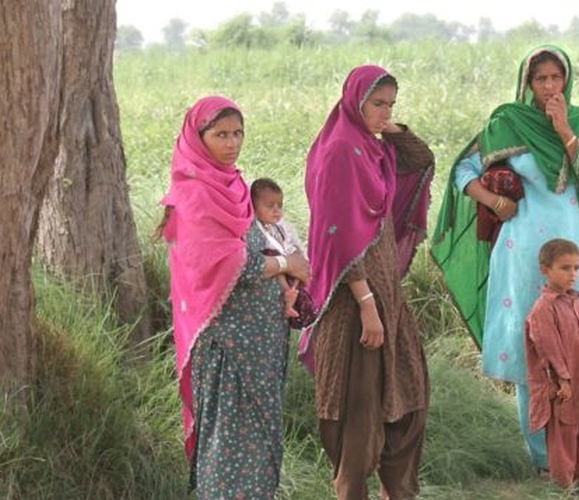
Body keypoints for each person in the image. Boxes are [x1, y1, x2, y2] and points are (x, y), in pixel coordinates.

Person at [430, 44, 579, 474]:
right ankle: (544, 457)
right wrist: (493, 200)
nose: (549, 86)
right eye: (540, 78)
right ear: (527, 83)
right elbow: (462, 171)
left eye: (556, 77)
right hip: (523, 252)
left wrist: (566, 130)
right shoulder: (507, 122)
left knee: (577, 350)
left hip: (577, 250)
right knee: (538, 350)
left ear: (566, 80)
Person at [157, 95, 310, 499]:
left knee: (257, 445)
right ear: (197, 137)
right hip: (226, 347)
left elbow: (256, 244)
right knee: (228, 445)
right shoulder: (192, 195)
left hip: (259, 344)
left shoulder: (236, 186)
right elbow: (234, 264)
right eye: (220, 134)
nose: (232, 142)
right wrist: (286, 265)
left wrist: (284, 270)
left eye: (237, 133)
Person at [300, 64, 435, 500]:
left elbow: (421, 159)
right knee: (360, 412)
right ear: (353, 101)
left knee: (410, 398)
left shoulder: (373, 148)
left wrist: (388, 125)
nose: (384, 112)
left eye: (391, 104)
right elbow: (337, 234)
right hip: (353, 301)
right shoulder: (342, 150)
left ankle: (396, 491)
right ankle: (350, 490)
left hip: (385, 294)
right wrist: (367, 303)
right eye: (377, 103)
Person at [525, 238, 579, 492]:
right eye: (565, 268)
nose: (573, 274)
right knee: (563, 436)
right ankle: (563, 487)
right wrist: (564, 380)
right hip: (562, 386)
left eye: (577, 268)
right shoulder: (543, 309)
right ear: (546, 270)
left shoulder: (575, 301)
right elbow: (549, 348)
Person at [250, 177, 316, 328]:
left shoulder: (279, 227)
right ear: (254, 206)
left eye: (279, 206)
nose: (276, 210)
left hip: (289, 266)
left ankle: (292, 299)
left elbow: (291, 245)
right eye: (269, 206)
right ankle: (289, 299)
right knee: (277, 263)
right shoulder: (256, 229)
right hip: (275, 264)